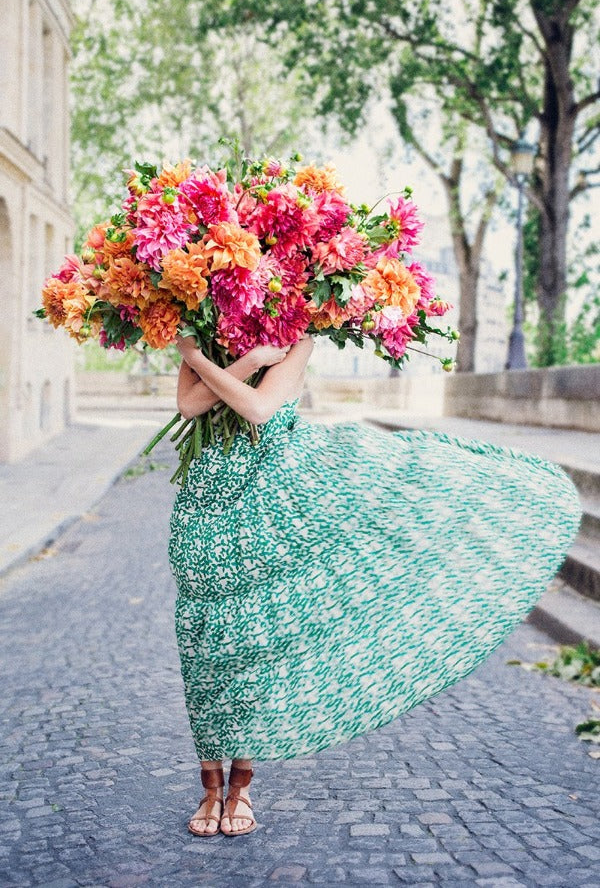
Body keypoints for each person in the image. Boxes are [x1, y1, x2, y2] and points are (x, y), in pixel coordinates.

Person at [169, 333, 582, 838]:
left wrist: (222, 359)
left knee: (251, 647)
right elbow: (189, 405)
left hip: (263, 513)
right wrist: (212, 355)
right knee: (202, 649)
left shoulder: (295, 339)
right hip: (199, 510)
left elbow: (256, 408)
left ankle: (240, 788)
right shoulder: (206, 326)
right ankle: (209, 787)